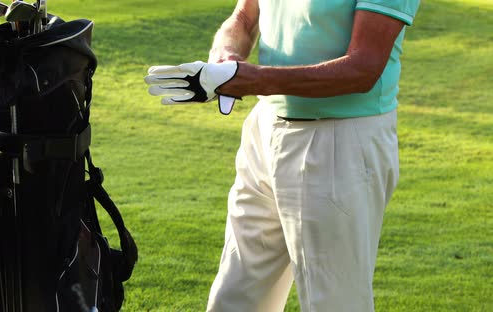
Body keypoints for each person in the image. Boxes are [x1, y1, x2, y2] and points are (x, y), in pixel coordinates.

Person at [145, 0, 420, 311]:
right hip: (265, 130)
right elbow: (244, 18)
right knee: (235, 297)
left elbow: (363, 68)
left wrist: (256, 80)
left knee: (334, 301)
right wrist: (226, 59)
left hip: (339, 143)